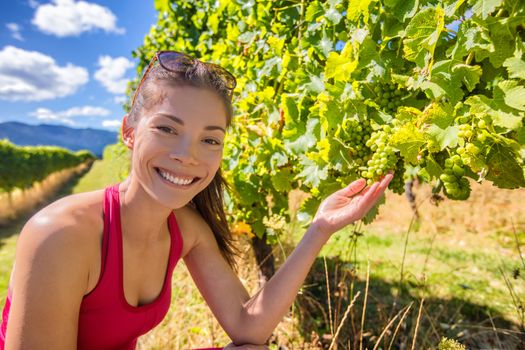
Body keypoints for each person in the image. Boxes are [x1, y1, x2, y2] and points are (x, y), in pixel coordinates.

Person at [0, 51, 392, 350]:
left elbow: (248, 327)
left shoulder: (185, 229)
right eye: (168, 129)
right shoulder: (61, 235)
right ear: (129, 132)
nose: (188, 155)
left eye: (210, 139)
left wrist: (319, 228)